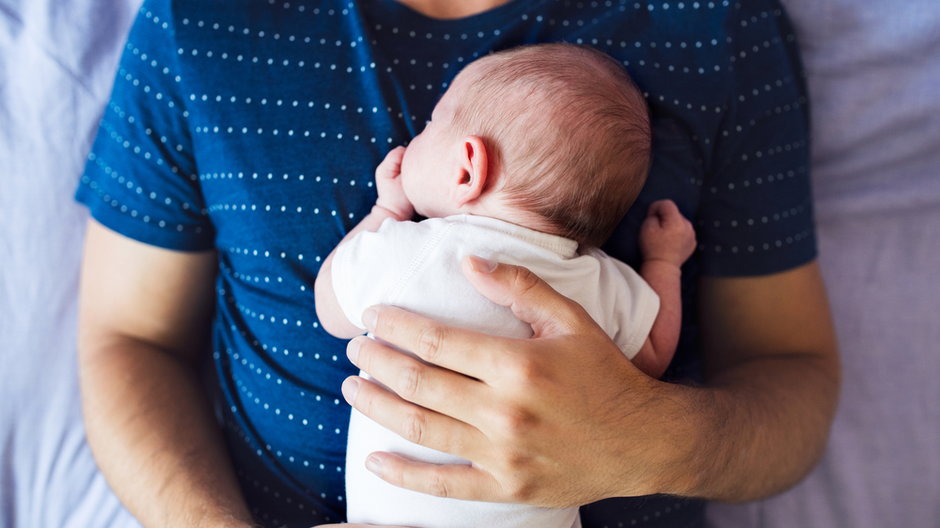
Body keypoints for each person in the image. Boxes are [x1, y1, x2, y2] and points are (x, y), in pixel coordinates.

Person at [75, 0, 839, 527]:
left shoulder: (714, 25)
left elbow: (790, 372)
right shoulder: (198, 23)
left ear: (467, 168)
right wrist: (663, 262)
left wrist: (647, 440)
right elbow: (127, 341)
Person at [314, 43, 696, 528]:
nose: (417, 137)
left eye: (431, 125)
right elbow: (654, 355)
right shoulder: (597, 282)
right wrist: (665, 262)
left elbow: (331, 311)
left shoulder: (409, 251)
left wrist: (384, 212)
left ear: (467, 168)